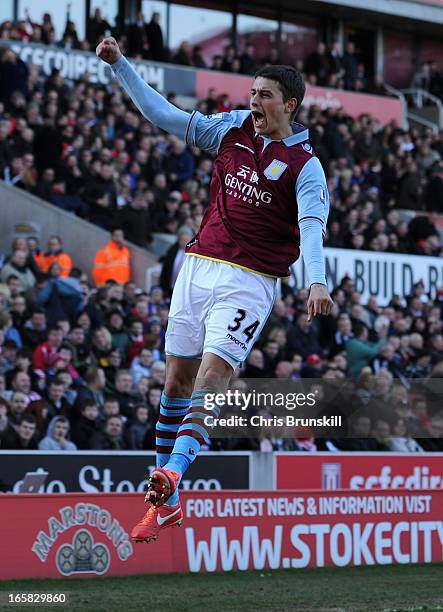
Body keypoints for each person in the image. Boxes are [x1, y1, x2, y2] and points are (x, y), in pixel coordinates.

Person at [97, 37, 332, 543]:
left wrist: (317, 279)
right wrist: (121, 66)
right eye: (252, 92)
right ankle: (167, 506)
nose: (254, 101)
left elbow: (312, 227)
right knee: (175, 385)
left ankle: (173, 473)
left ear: (289, 104)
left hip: (249, 281)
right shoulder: (229, 129)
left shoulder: (306, 167)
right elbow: (162, 114)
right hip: (197, 267)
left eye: (265, 94)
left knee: (211, 377)